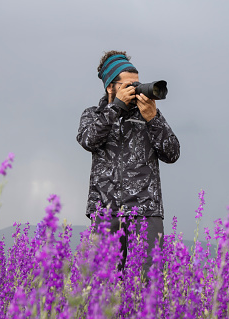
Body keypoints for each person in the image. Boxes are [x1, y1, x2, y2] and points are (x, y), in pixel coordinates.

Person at [76, 50, 180, 275]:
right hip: (105, 213)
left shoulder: (149, 115)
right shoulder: (93, 115)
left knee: (147, 288)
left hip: (146, 213)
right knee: (101, 290)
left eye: (137, 84)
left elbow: (172, 153)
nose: (135, 90)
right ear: (110, 87)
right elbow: (88, 139)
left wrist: (153, 119)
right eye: (128, 86)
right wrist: (116, 109)